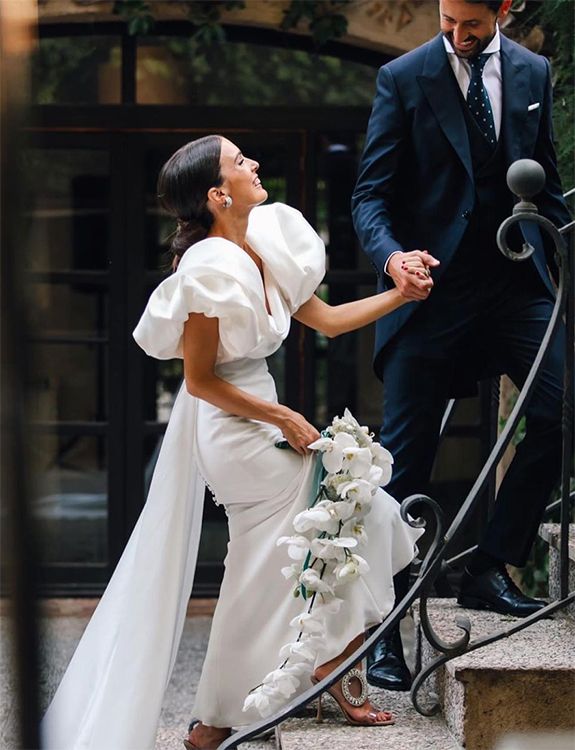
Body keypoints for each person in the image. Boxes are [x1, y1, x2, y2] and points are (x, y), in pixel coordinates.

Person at [41, 134, 427, 750]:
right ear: (220, 194)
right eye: (241, 161)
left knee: (319, 537)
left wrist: (400, 296)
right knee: (349, 517)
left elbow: (324, 320)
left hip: (265, 418)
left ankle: (259, 695)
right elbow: (199, 381)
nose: (254, 164)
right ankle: (303, 674)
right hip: (234, 429)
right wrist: (281, 418)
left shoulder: (262, 245)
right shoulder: (208, 270)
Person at [351, 0, 571, 693]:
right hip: (431, 291)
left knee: (562, 413)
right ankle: (385, 631)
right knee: (406, 460)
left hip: (516, 287)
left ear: (504, 8)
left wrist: (561, 261)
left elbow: (547, 184)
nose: (455, 34)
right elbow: (369, 196)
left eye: (469, 21)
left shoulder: (532, 72)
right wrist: (392, 261)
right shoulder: (404, 77)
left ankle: (487, 567)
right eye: (446, 19)